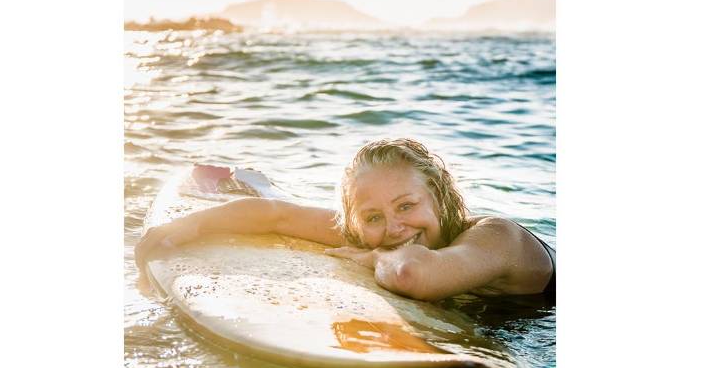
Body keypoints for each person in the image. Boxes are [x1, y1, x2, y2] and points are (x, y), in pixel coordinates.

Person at [135, 138, 555, 301]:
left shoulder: (498, 237)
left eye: (407, 207)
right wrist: (184, 227)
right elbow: (278, 216)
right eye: (373, 216)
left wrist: (372, 258)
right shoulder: (370, 232)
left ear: (441, 198)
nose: (393, 228)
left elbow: (411, 273)